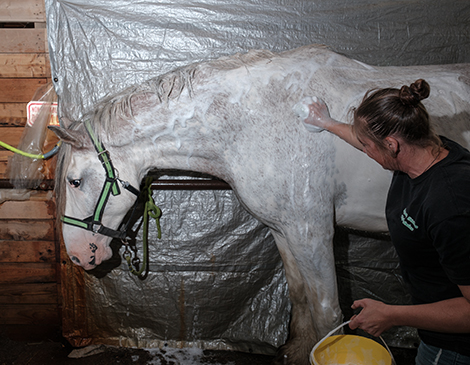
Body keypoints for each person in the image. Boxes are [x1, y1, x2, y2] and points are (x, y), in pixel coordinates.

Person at [304, 79, 470, 364]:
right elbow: (366, 139)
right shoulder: (427, 151)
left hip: (455, 348)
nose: (364, 151)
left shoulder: (450, 206)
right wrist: (326, 122)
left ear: (392, 145)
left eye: (368, 145)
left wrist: (392, 315)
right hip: (436, 329)